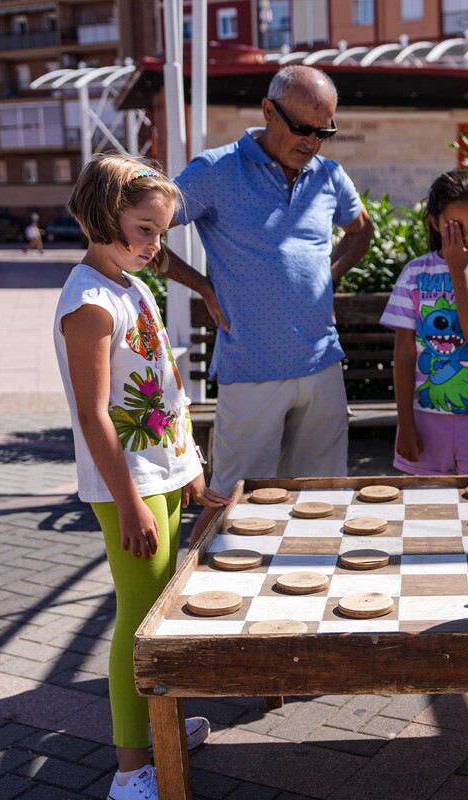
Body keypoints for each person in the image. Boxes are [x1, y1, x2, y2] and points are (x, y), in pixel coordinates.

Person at [52, 155, 229, 800]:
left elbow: (162, 390)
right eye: (146, 228)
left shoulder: (129, 286)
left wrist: (185, 467)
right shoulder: (92, 302)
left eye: (162, 230)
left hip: (156, 477)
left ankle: (160, 731)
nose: (157, 244)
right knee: (138, 622)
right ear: (105, 215)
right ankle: (131, 769)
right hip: (131, 489)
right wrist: (129, 503)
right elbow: (93, 414)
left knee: (155, 614)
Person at [155, 65, 373, 536]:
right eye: (302, 128)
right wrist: (203, 286)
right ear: (268, 111)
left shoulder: (330, 175)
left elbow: (361, 230)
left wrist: (328, 278)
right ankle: (201, 601)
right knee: (231, 507)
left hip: (322, 367)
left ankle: (309, 588)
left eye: (324, 131)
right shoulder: (215, 170)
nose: (313, 142)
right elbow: (142, 229)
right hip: (251, 369)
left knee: (323, 499)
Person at [379, 169, 468, 475]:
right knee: (423, 511)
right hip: (424, 418)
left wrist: (458, 271)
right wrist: (404, 423)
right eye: (454, 226)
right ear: (434, 222)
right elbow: (404, 353)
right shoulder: (414, 273)